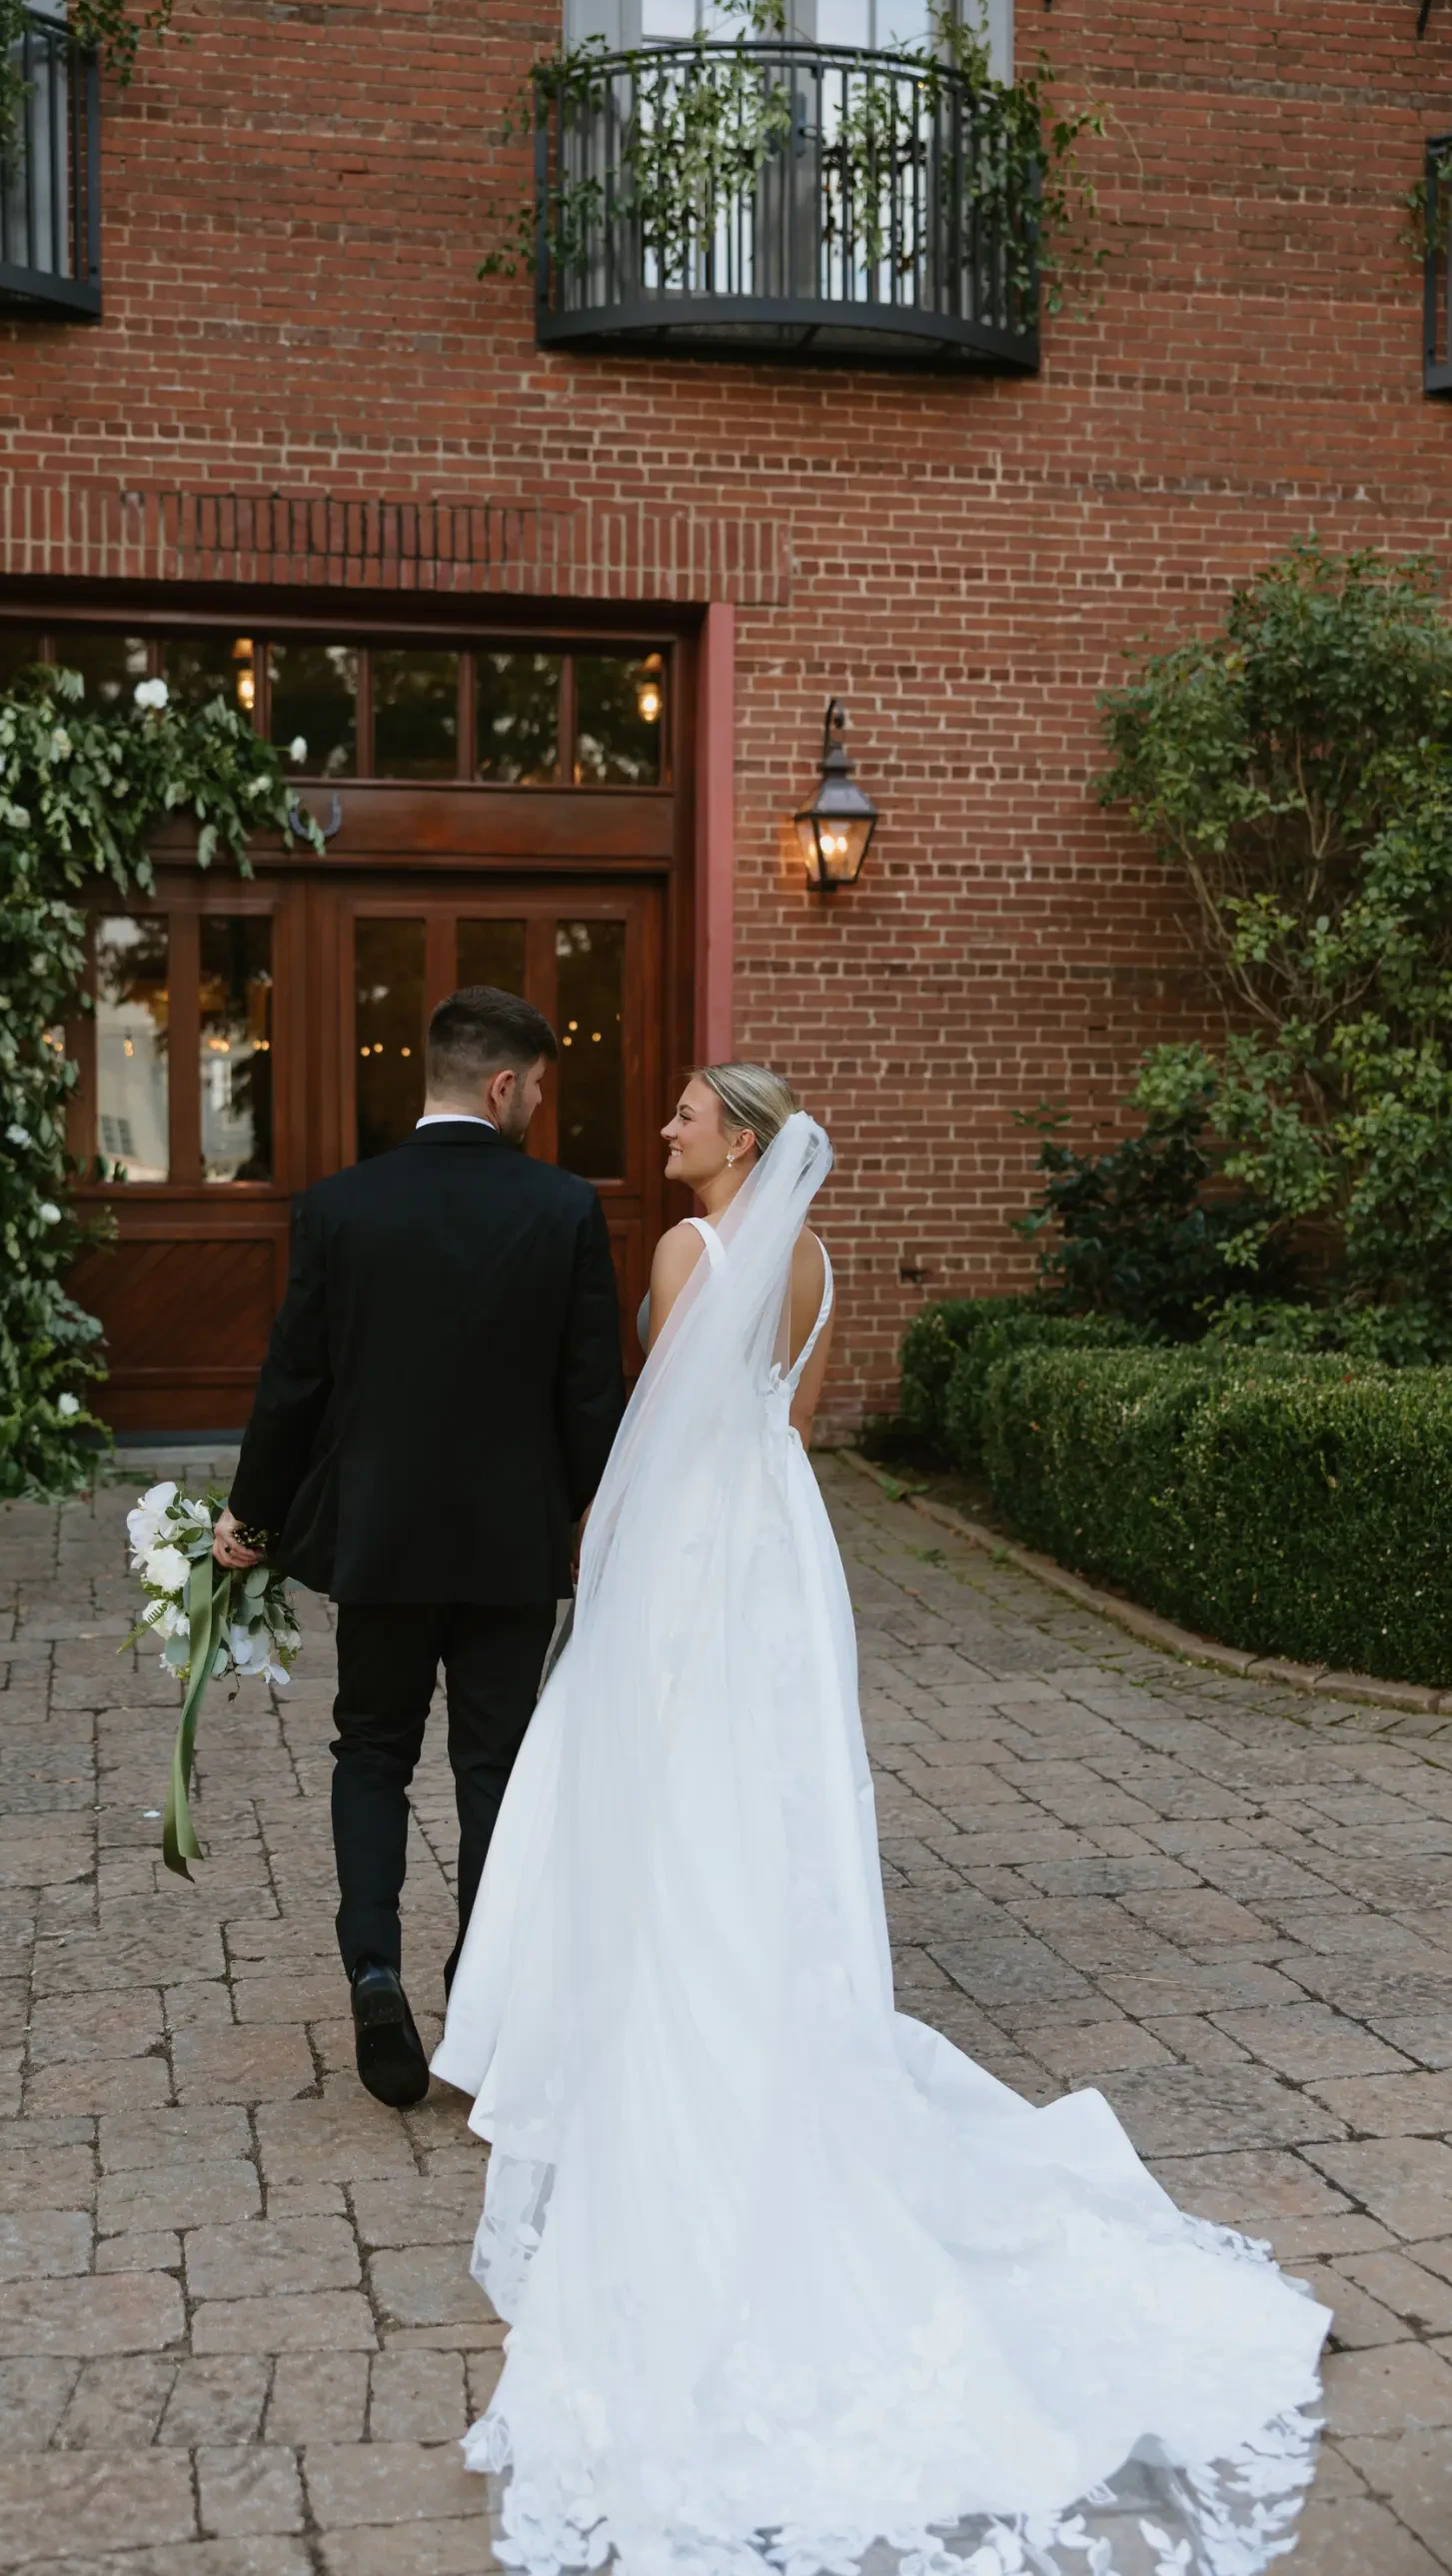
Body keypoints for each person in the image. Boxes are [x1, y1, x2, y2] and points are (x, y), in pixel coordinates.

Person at [432, 1065, 1330, 2576]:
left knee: (651, 1774)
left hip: (697, 1538)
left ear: (742, 1139)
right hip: (782, 1540)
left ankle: (639, 2012)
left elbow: (662, 1424)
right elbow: (795, 1416)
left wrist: (607, 1542)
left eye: (688, 1115)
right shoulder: (820, 1259)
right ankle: (764, 1974)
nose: (667, 1131)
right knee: (768, 1776)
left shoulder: (687, 1251)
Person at [216, 986, 625, 2111]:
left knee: (371, 1750)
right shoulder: (562, 1207)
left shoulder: (341, 1206)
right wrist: (596, 1517)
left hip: (381, 1538)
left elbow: (293, 1381)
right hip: (510, 1544)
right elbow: (591, 1392)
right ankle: (476, 1990)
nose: (539, 1106)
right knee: (493, 1764)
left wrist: (251, 1516)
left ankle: (373, 1969)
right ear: (502, 1084)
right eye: (537, 1089)